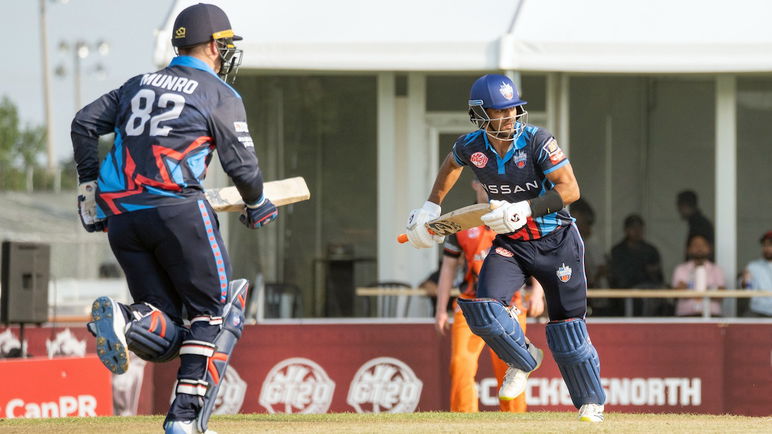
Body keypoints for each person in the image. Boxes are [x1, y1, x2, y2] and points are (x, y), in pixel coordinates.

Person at [71, 4, 278, 433]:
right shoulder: (219, 93)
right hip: (177, 211)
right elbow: (242, 167)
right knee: (213, 313)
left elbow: (83, 123)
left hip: (123, 219)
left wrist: (89, 187)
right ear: (211, 45)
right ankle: (183, 421)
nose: (226, 53)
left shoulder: (137, 83)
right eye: (224, 45)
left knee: (164, 328)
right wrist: (258, 204)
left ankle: (128, 319)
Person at [404, 74, 606, 422]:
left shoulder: (538, 141)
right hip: (513, 242)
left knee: (566, 326)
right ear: (480, 115)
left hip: (556, 240)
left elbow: (571, 190)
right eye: (499, 112)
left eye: (512, 109)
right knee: (483, 308)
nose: (509, 117)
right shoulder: (472, 145)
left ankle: (591, 401)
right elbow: (452, 164)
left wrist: (526, 208)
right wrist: (431, 208)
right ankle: (522, 358)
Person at [434, 180, 545, 413]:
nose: (489, 188)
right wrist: (440, 309)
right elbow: (448, 268)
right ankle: (464, 423)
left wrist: (537, 292)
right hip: (469, 306)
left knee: (514, 366)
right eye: (485, 184)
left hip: (509, 306)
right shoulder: (461, 221)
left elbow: (535, 257)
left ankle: (513, 424)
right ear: (474, 184)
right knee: (461, 364)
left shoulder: (515, 218)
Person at [607, 214, 666, 316]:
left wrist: (652, 272)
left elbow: (659, 277)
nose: (637, 231)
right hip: (624, 294)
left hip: (648, 293)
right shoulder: (618, 251)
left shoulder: (650, 250)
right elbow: (616, 275)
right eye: (633, 228)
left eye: (640, 228)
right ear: (626, 230)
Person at [671, 235, 726, 317]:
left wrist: (689, 289)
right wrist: (710, 290)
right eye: (695, 245)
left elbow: (720, 296)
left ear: (709, 248)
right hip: (686, 316)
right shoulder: (681, 269)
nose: (699, 248)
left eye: (703, 245)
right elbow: (677, 294)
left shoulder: (716, 270)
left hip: (712, 316)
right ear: (688, 249)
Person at [739, 231, 772, 317]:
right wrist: (744, 281)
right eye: (765, 245)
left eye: (770, 245)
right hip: (759, 310)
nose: (767, 248)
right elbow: (746, 289)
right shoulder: (753, 266)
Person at [676, 190, 714, 259]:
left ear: (685, 206)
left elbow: (700, 252)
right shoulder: (698, 223)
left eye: (679, 206)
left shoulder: (699, 225)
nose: (678, 210)